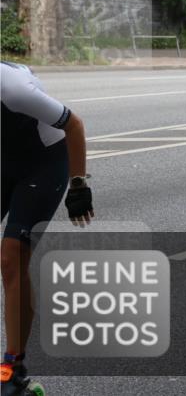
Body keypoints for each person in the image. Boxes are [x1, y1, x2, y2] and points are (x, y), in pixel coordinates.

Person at [1, 62, 93, 396]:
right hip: (4, 159)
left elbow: (75, 124)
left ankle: (12, 368)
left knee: (12, 258)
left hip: (44, 162)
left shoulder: (11, 88)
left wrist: (79, 185)